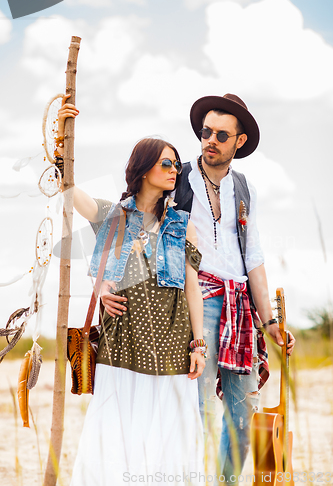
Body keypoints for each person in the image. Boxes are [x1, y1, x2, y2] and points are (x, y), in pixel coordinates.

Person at [102, 93, 296, 482]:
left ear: (239, 142)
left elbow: (252, 255)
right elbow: (131, 224)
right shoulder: (176, 178)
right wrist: (109, 280)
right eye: (206, 131)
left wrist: (270, 321)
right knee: (201, 409)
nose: (211, 139)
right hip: (195, 301)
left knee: (245, 413)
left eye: (222, 135)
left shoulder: (244, 189)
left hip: (240, 305)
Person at [57, 98, 206, 485]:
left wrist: (199, 347)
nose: (175, 170)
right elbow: (70, 190)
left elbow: (193, 288)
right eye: (166, 163)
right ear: (142, 171)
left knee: (169, 440)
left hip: (173, 348)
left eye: (176, 163)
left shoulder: (182, 225)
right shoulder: (114, 216)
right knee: (115, 435)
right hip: (122, 347)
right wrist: (63, 142)